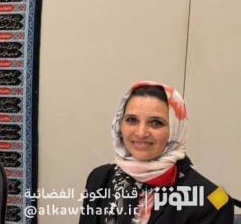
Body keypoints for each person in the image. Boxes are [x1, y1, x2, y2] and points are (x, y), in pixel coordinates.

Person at [79, 81, 233, 223]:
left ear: (175, 130)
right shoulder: (100, 178)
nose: (141, 133)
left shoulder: (211, 201)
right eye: (132, 120)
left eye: (156, 123)